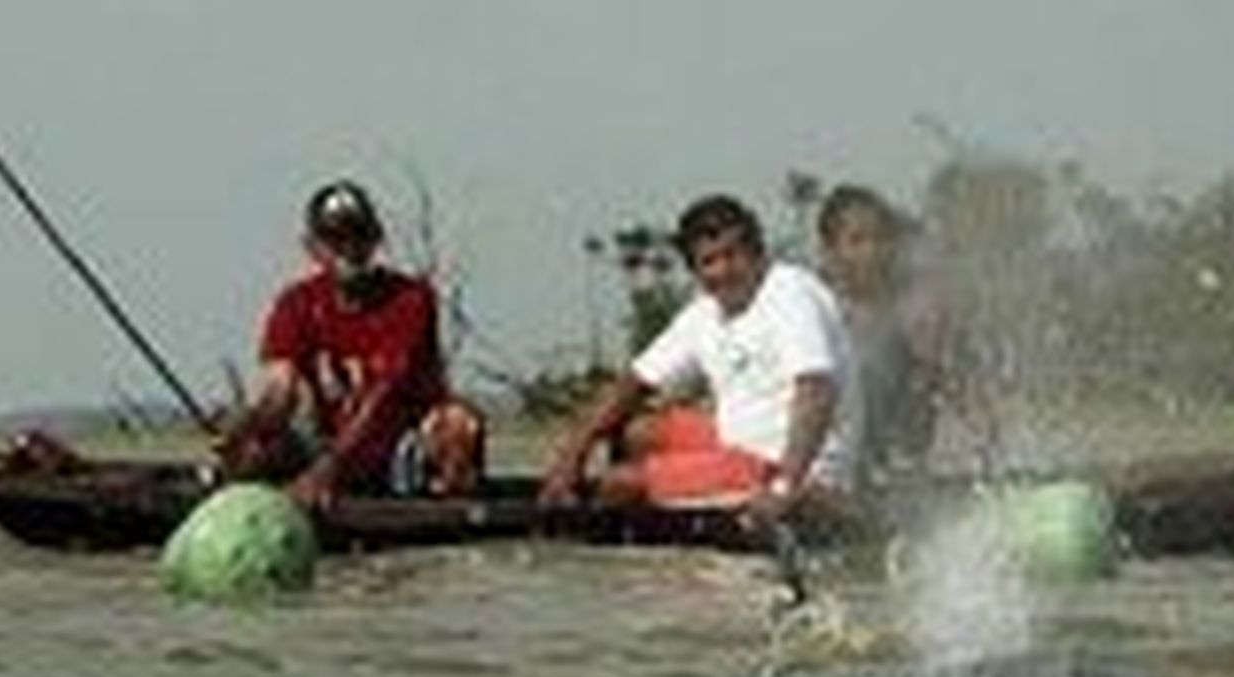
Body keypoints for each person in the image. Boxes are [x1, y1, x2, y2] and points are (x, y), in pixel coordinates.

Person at [539, 194, 853, 522]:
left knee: (619, 484)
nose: (724, 271)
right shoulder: (706, 313)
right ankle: (678, 492)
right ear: (695, 270)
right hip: (739, 443)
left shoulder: (790, 293)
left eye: (733, 255)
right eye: (709, 262)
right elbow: (634, 382)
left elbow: (816, 389)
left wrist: (785, 486)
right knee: (639, 432)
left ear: (758, 252)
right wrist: (573, 454)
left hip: (785, 468)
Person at [217, 180, 485, 508]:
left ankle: (444, 500)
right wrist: (249, 426)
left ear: (375, 240)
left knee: (457, 425)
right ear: (313, 247)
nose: (349, 249)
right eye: (335, 239)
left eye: (358, 236)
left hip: (397, 445)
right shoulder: (297, 303)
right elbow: (279, 387)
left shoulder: (411, 300)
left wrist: (331, 468)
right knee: (255, 445)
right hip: (327, 441)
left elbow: (383, 395)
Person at [816, 184, 949, 490]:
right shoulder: (812, 309)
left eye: (881, 239)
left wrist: (932, 364)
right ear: (829, 250)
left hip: (891, 469)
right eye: (857, 241)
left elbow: (944, 397)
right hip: (822, 466)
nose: (872, 251)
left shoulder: (910, 309)